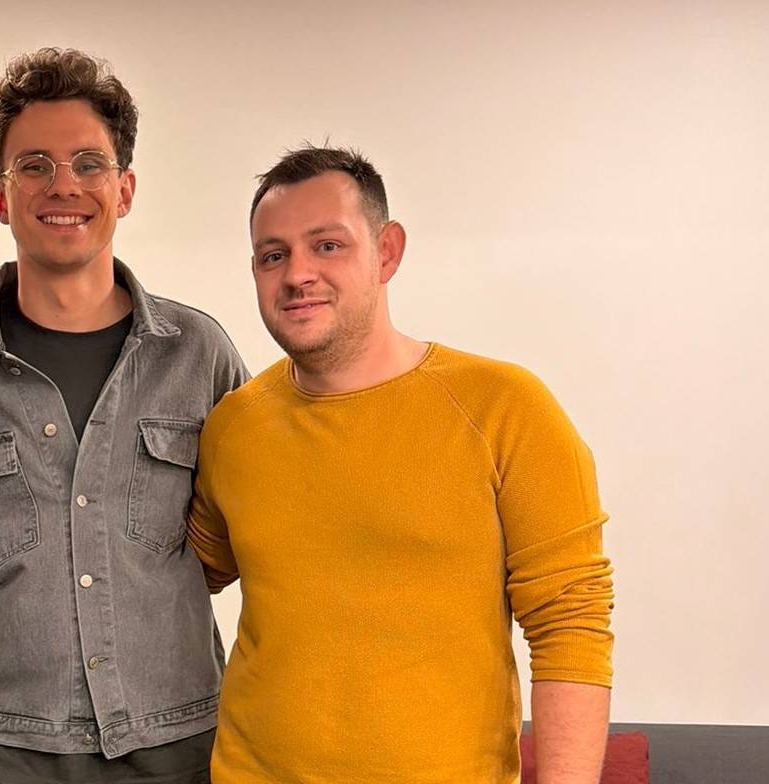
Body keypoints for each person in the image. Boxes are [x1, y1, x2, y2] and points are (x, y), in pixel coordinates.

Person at [0, 48, 247, 784]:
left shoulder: (199, 355)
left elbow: (259, 532)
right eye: (34, 165)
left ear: (125, 188)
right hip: (2, 758)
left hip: (183, 751)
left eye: (88, 163)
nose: (64, 185)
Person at [187, 146, 615, 783]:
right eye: (273, 255)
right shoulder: (233, 426)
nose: (297, 274)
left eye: (327, 245)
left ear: (387, 252)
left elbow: (570, 621)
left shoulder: (505, 408)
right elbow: (178, 578)